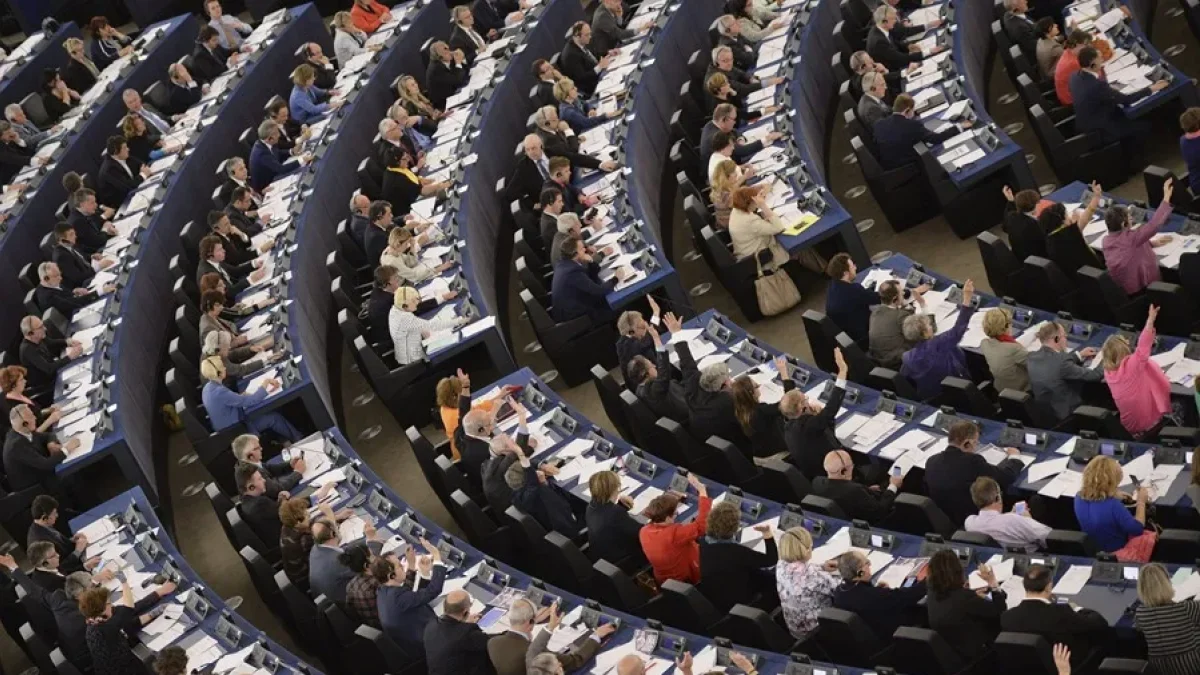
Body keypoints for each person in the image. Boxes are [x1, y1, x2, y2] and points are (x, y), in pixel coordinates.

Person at [1069, 46, 1166, 163]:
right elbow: (1126, 99)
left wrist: (1108, 91)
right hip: (1101, 129)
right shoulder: (1097, 86)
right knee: (1144, 126)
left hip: (1087, 123)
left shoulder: (1075, 77)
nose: (1102, 60)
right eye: (1100, 58)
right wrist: (1152, 89)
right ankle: (1136, 162)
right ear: (1092, 64)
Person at [1001, 564, 1109, 669]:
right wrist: (1077, 609)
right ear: (1048, 587)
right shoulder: (1061, 613)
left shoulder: (1007, 617)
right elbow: (1099, 623)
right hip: (1063, 668)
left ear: (1024, 585)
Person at [671, 314, 751, 451]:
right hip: (736, 445)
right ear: (723, 386)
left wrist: (677, 334)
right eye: (728, 379)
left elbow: (686, 362)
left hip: (704, 442)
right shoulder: (727, 402)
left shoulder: (693, 387)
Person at [925, 420, 1024, 527]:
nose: (976, 447)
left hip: (945, 517)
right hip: (971, 519)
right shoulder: (972, 461)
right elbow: (1006, 477)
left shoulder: (931, 461)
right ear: (967, 443)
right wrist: (1015, 457)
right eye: (976, 442)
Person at [900, 279, 978, 399]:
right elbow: (958, 329)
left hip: (932, 398)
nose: (931, 326)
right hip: (958, 393)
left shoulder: (908, 358)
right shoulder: (939, 344)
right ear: (925, 333)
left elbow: (906, 381)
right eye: (929, 325)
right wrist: (967, 299)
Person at [489, 599, 610, 675]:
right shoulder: (541, 658)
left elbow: (533, 649)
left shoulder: (492, 643)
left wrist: (548, 626)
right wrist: (596, 637)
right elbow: (575, 660)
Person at [1102, 306, 1172, 437]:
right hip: (1149, 425)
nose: (1128, 342)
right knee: (1181, 406)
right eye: (1125, 342)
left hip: (1129, 427)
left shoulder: (1108, 372)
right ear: (1123, 349)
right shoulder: (1132, 366)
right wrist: (1150, 319)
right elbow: (1143, 346)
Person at [926, 549, 1006, 661]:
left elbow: (953, 601)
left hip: (952, 650)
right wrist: (992, 583)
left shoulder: (932, 592)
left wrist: (968, 592)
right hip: (979, 654)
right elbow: (1000, 608)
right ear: (957, 571)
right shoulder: (966, 599)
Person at [782, 348, 850, 479]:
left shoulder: (788, 425)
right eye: (805, 399)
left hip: (813, 475)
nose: (808, 401)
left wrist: (784, 375)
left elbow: (789, 401)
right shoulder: (809, 426)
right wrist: (842, 371)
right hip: (831, 473)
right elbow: (831, 409)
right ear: (802, 407)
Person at [698, 502, 778, 611]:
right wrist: (767, 533)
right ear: (735, 527)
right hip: (738, 602)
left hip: (712, 597)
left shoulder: (702, 543)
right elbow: (771, 559)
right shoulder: (739, 552)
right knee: (772, 580)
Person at [1075, 455, 1156, 560]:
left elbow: (1096, 495)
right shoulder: (1113, 505)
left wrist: (1112, 493)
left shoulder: (1078, 498)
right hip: (1116, 553)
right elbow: (1137, 529)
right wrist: (1141, 501)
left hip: (1095, 549)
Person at [200, 356, 301, 440]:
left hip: (229, 428)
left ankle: (285, 440)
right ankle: (299, 439)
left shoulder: (207, 388)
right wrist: (266, 382)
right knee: (274, 418)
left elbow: (225, 404)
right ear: (218, 373)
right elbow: (252, 400)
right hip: (239, 431)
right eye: (223, 367)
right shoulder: (219, 392)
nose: (225, 368)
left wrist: (239, 397)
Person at [833, 550, 927, 640]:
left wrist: (876, 590)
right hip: (888, 637)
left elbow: (861, 598)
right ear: (860, 572)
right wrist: (928, 581)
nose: (870, 565)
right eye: (867, 563)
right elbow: (909, 596)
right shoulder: (873, 596)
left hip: (863, 637)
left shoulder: (839, 592)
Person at [1102, 179, 1175, 295]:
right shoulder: (1131, 239)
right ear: (1123, 224)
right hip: (1142, 290)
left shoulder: (1105, 241)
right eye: (1129, 217)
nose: (1131, 218)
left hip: (1123, 290)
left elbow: (1127, 251)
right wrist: (1166, 196)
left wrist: (1150, 243)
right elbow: (1154, 224)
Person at [639, 472, 712, 584]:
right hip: (686, 580)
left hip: (663, 581)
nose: (676, 515)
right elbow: (702, 525)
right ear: (668, 517)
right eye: (675, 513)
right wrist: (702, 491)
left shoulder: (644, 531)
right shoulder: (674, 534)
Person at [1027, 321, 1101, 423]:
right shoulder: (1061, 362)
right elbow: (1094, 375)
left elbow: (1054, 363)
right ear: (1056, 339)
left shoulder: (1031, 357)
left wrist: (1079, 355)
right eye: (1065, 337)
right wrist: (1104, 360)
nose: (1066, 340)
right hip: (1067, 415)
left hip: (1046, 412)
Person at [1134, 562, 1200, 674]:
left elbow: (1139, 627)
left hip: (1158, 669)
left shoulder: (1140, 613)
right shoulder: (1186, 608)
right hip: (1189, 667)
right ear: (1168, 583)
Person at [373, 545, 444, 650]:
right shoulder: (398, 598)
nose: (403, 565)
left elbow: (411, 595)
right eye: (399, 566)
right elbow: (433, 590)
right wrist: (437, 558)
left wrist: (423, 572)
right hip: (430, 642)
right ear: (391, 576)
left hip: (415, 635)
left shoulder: (382, 591)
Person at [776, 526, 837, 641]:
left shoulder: (781, 565)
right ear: (807, 550)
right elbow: (841, 590)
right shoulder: (816, 577)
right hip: (815, 632)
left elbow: (799, 571)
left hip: (794, 629)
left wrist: (822, 567)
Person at [873, 93, 965, 169]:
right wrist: (959, 127)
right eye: (913, 110)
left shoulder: (879, 124)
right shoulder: (912, 125)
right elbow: (936, 138)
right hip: (907, 166)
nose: (914, 113)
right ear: (907, 110)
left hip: (888, 164)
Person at [551, 236, 628, 323]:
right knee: (623, 306)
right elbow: (599, 291)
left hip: (577, 304)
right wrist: (616, 278)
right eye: (581, 249)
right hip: (579, 318)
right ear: (575, 254)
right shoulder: (572, 272)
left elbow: (590, 276)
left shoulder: (564, 264)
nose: (585, 249)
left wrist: (591, 261)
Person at [79, 583, 152, 675]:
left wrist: (152, 614)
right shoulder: (105, 628)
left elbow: (127, 623)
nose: (112, 605)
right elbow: (128, 609)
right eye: (109, 603)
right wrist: (124, 582)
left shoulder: (93, 622)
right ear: (103, 609)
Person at [812, 449, 901, 523]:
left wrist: (866, 490)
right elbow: (880, 511)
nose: (853, 467)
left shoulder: (817, 483)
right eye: (851, 465)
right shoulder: (855, 491)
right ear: (843, 471)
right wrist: (893, 486)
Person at [506, 450, 581, 536]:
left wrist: (540, 470)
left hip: (550, 528)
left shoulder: (517, 493)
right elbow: (566, 508)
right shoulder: (542, 494)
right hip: (572, 528)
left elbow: (527, 467)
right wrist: (543, 484)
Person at [965, 476, 1050, 551]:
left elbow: (995, 523)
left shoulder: (970, 523)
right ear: (998, 497)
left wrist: (1010, 514)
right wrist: (1027, 520)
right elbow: (1048, 537)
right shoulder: (1016, 521)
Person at [388, 286, 467, 365]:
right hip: (418, 359)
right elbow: (433, 326)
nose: (417, 303)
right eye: (413, 301)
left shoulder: (398, 309)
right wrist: (458, 321)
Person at [4, 404, 73, 491]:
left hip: (42, 472)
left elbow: (48, 435)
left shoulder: (22, 430)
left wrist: (51, 444)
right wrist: (67, 449)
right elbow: (46, 464)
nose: (35, 418)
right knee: (74, 476)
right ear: (25, 423)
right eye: (31, 416)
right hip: (38, 487)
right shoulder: (16, 446)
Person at [424, 589, 494, 675]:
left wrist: (462, 623)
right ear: (465, 612)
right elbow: (494, 642)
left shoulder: (430, 626)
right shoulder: (466, 634)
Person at [586, 470, 645, 567]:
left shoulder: (591, 506)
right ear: (614, 489)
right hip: (621, 562)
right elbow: (642, 533)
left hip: (600, 558)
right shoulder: (616, 513)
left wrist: (621, 506)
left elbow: (607, 517)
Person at [729, 186, 790, 272]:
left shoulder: (736, 210)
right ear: (748, 203)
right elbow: (779, 228)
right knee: (799, 251)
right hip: (760, 257)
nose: (757, 203)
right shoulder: (750, 221)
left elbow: (753, 227)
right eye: (755, 201)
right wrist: (763, 205)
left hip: (745, 253)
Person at [29, 495, 95, 575]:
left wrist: (71, 540)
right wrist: (78, 550)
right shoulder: (41, 542)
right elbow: (60, 568)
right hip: (74, 571)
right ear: (44, 517)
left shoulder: (42, 525)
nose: (57, 515)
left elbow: (60, 546)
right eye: (54, 514)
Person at [824, 253, 878, 346]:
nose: (855, 268)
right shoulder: (854, 290)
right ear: (845, 273)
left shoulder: (831, 286)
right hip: (864, 337)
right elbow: (879, 298)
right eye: (852, 267)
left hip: (847, 338)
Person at [868, 280, 925, 367]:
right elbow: (924, 331)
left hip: (878, 358)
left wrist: (903, 303)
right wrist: (922, 304)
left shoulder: (875, 312)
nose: (904, 293)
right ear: (895, 299)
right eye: (901, 292)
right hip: (897, 361)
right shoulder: (900, 316)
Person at [19, 316, 82, 391]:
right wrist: (70, 357)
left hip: (56, 372)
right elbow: (49, 368)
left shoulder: (38, 337)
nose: (45, 328)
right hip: (49, 384)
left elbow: (51, 343)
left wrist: (68, 342)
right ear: (31, 333)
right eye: (40, 327)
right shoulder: (27, 350)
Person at [279, 496, 324, 592]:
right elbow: (326, 539)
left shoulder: (287, 526)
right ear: (298, 523)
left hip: (295, 574)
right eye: (307, 516)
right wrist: (330, 516)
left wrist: (336, 517)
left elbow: (308, 526)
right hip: (308, 578)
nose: (309, 516)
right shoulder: (302, 540)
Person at [232, 433, 302, 495]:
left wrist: (290, 464)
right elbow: (277, 489)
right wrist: (298, 472)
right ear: (250, 455)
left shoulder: (248, 461)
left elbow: (269, 468)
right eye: (257, 448)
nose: (261, 449)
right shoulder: (252, 473)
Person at [980, 308, 1030, 392]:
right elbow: (1036, 364)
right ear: (1006, 327)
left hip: (1000, 389)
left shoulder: (984, 344)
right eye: (1010, 323)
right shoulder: (1014, 349)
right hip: (1021, 391)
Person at [235, 463, 284, 546]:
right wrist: (284, 499)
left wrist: (281, 500)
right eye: (260, 479)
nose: (264, 480)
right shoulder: (260, 503)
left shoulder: (245, 503)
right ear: (251, 487)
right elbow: (287, 512)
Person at [866, 6, 925, 71]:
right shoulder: (879, 42)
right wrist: (925, 53)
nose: (895, 21)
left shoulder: (881, 27)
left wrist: (908, 46)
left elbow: (895, 43)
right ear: (884, 22)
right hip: (894, 70)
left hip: (897, 60)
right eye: (893, 19)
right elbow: (899, 59)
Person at [615, 297, 659, 383]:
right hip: (649, 385)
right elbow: (648, 338)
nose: (646, 327)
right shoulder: (628, 346)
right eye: (643, 326)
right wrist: (656, 313)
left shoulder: (625, 341)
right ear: (631, 331)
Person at [560, 22, 608, 97]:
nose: (590, 36)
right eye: (587, 35)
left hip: (599, 75)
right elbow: (582, 78)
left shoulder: (582, 41)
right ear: (577, 37)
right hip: (592, 86)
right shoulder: (571, 55)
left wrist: (608, 53)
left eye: (590, 33)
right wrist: (599, 67)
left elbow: (594, 54)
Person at [97, 135, 147, 207]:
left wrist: (143, 171)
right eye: (124, 148)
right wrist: (143, 175)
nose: (128, 149)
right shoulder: (109, 169)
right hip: (122, 204)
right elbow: (127, 187)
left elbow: (141, 164)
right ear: (116, 151)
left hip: (134, 194)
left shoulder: (124, 156)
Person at [342, 543, 382, 628]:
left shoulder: (350, 585)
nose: (375, 557)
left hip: (368, 628)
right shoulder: (378, 584)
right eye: (372, 555)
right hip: (385, 627)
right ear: (366, 565)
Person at [249, 120, 296, 192]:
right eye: (276, 133)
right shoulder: (261, 153)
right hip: (268, 188)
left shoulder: (265, 142)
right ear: (270, 138)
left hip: (275, 176)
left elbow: (278, 153)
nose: (279, 135)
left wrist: (291, 151)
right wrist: (301, 160)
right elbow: (282, 169)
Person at [426, 41, 468, 109]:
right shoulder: (435, 69)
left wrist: (462, 59)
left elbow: (466, 72)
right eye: (445, 51)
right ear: (439, 57)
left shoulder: (447, 59)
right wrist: (458, 62)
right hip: (446, 104)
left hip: (456, 93)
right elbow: (458, 81)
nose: (450, 52)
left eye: (448, 48)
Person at [1053, 29, 1091, 105]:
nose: (1088, 47)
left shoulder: (1068, 51)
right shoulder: (1073, 63)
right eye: (1086, 44)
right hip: (1071, 100)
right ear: (1076, 44)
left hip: (1069, 93)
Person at [709, 159, 745, 229]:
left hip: (726, 221)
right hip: (733, 226)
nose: (736, 174)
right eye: (734, 172)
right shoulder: (726, 195)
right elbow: (745, 207)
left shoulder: (720, 187)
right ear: (727, 176)